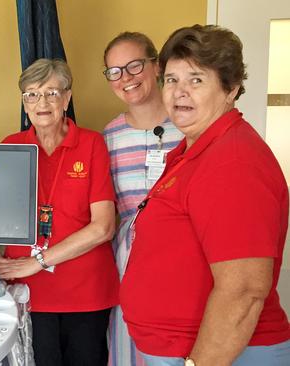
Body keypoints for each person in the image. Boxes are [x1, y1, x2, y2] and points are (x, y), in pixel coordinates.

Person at [120, 24, 290, 366]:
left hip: (217, 354)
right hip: (184, 348)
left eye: (196, 80)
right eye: (171, 79)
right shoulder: (198, 149)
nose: (179, 92)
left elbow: (243, 292)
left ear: (231, 88)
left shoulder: (233, 162)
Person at [0, 59, 119, 366]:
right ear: (24, 102)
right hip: (28, 294)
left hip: (85, 294)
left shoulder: (91, 144)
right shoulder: (11, 147)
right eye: (32, 94)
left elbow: (103, 227)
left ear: (67, 98)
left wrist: (37, 262)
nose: (41, 102)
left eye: (52, 93)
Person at [101, 32, 184, 366]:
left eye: (134, 65)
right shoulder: (108, 138)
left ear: (156, 65)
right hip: (128, 267)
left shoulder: (189, 126)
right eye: (115, 71)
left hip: (181, 262)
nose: (126, 78)